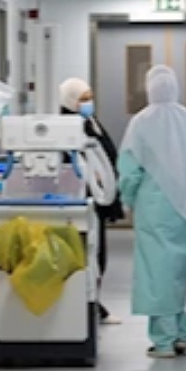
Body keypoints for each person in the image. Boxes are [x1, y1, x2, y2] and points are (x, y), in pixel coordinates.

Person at [117, 65, 186, 358]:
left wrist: (127, 199)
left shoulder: (141, 122)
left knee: (157, 271)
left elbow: (130, 169)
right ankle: (181, 333)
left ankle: (164, 340)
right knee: (178, 269)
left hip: (154, 206)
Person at [59, 77, 124, 325]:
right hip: (82, 197)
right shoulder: (67, 126)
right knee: (87, 254)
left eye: (90, 97)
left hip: (97, 197)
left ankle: (93, 304)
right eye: (83, 99)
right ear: (70, 100)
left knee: (98, 254)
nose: (89, 103)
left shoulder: (89, 122)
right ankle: (86, 306)